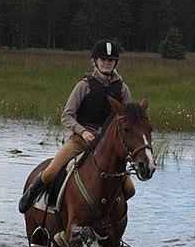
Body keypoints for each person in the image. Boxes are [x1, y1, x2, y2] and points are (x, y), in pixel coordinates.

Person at [19, 39, 136, 214]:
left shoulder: (122, 89)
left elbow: (129, 121)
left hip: (107, 147)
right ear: (95, 61)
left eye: (110, 60)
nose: (106, 63)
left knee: (129, 189)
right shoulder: (84, 86)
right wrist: (83, 132)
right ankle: (32, 197)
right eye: (103, 59)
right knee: (51, 171)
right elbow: (66, 116)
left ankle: (111, 217)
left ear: (115, 63)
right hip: (80, 141)